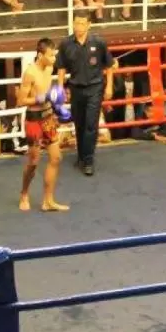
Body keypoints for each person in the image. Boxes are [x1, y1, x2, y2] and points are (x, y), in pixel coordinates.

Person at [55, 11, 114, 177]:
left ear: (89, 24)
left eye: (82, 23)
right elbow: (61, 67)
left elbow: (109, 65)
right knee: (79, 124)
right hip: (76, 88)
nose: (78, 27)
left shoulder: (99, 42)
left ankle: (88, 160)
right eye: (76, 23)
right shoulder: (66, 43)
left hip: (95, 87)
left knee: (91, 124)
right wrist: (60, 89)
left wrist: (109, 87)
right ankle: (81, 156)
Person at [17, 38, 68, 212]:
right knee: (33, 162)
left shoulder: (49, 68)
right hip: (33, 119)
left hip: (47, 117)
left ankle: (48, 201)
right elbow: (21, 100)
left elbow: (47, 94)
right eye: (51, 55)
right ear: (40, 55)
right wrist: (41, 98)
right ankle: (24, 193)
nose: (54, 59)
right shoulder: (30, 73)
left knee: (56, 158)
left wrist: (56, 104)